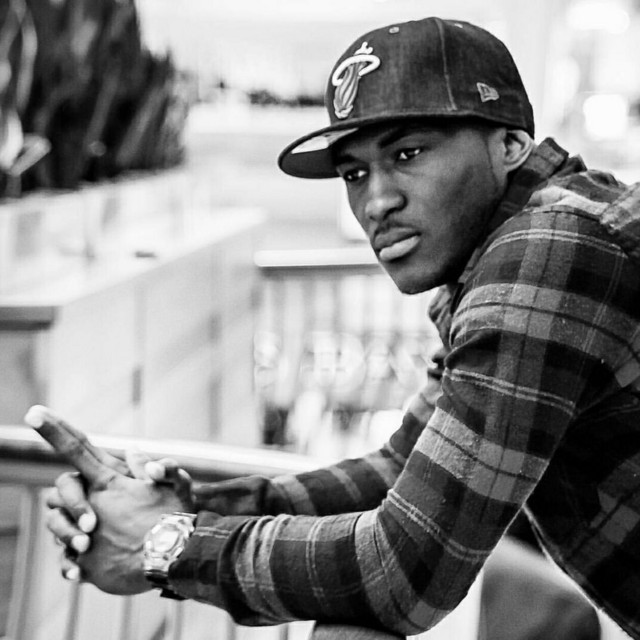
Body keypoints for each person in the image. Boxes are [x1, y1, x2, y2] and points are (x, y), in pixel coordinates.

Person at [31, 15, 640, 639]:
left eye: (407, 154)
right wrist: (189, 510)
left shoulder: (550, 252)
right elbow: (400, 467)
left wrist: (168, 547)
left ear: (509, 144)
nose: (376, 202)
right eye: (354, 173)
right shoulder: (507, 258)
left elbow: (405, 574)